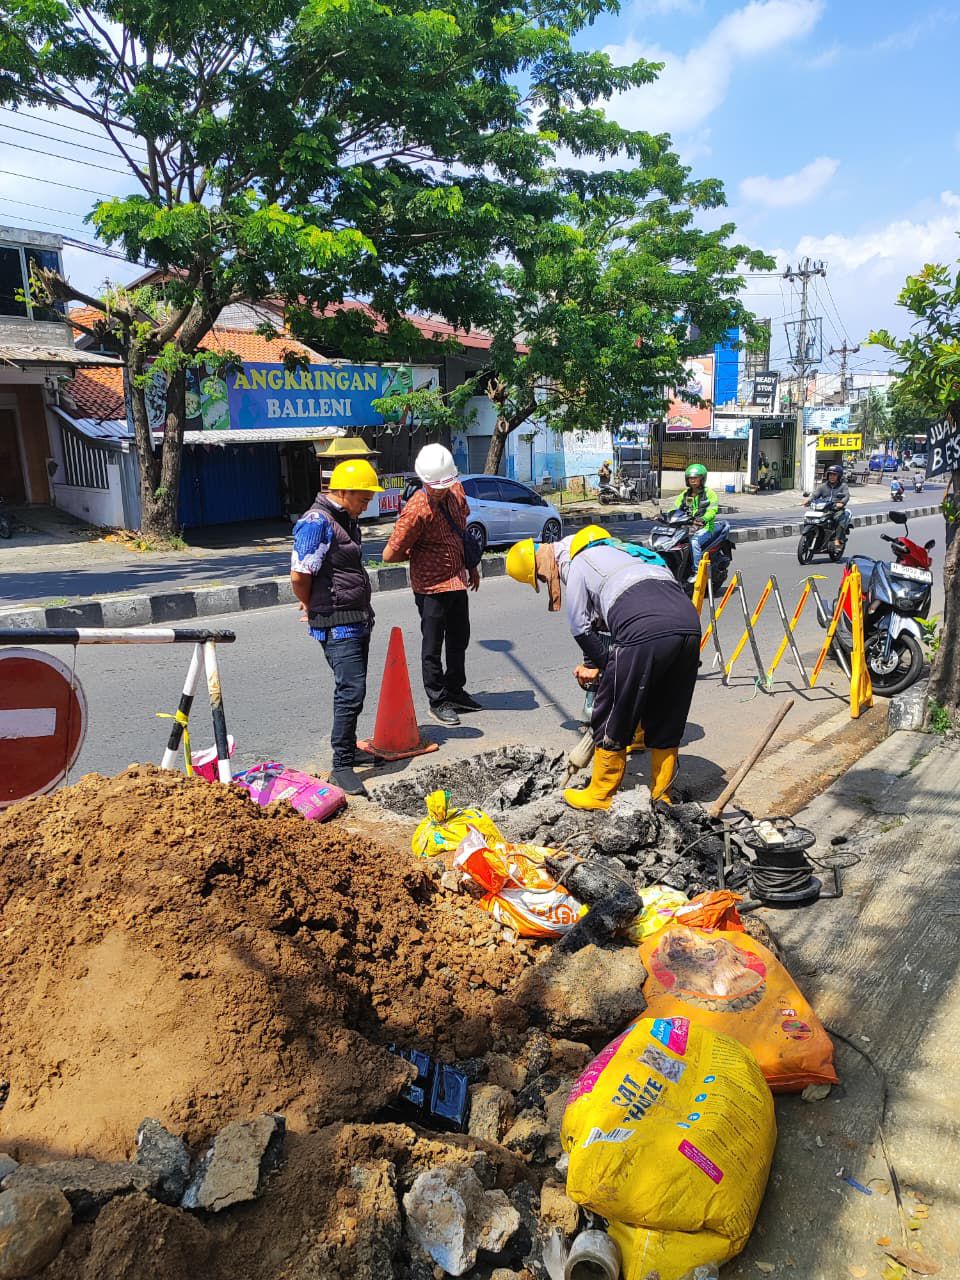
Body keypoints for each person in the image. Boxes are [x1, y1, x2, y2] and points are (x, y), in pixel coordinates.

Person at [506, 524, 702, 810]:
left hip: (642, 627)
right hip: (688, 624)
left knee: (612, 711)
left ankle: (600, 794)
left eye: (539, 577)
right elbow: (607, 622)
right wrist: (608, 665)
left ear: (542, 566)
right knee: (668, 710)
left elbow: (582, 628)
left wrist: (609, 669)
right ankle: (662, 794)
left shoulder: (579, 562)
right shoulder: (631, 553)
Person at [289, 459, 384, 797]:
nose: (367, 503)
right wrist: (310, 602)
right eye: (363, 497)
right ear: (343, 491)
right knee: (350, 691)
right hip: (337, 624)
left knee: (353, 690)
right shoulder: (317, 522)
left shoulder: (344, 519)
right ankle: (341, 764)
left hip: (355, 618)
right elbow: (300, 576)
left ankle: (349, 747)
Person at [383, 443, 481, 727]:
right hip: (430, 588)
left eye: (445, 484)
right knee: (433, 645)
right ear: (424, 481)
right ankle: (437, 700)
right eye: (435, 486)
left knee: (459, 638)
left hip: (456, 581)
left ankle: (455, 690)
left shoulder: (457, 492)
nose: (440, 490)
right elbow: (390, 554)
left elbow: (462, 530)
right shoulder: (416, 509)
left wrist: (471, 567)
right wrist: (418, 555)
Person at [671, 463, 727, 579]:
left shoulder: (709, 494)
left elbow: (712, 510)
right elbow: (675, 507)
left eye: (695, 478)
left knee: (694, 542)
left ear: (702, 479)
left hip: (706, 527)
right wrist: (667, 515)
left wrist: (703, 519)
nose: (693, 480)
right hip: (688, 527)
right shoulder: (685, 494)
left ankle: (696, 571)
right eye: (690, 478)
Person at [804, 464, 850, 544]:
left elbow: (846, 496)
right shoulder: (823, 486)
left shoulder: (843, 486)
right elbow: (815, 495)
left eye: (834, 475)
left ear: (839, 476)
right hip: (823, 509)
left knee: (840, 518)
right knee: (809, 518)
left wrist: (841, 503)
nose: (832, 477)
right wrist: (808, 500)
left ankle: (837, 539)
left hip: (836, 509)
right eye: (830, 475)